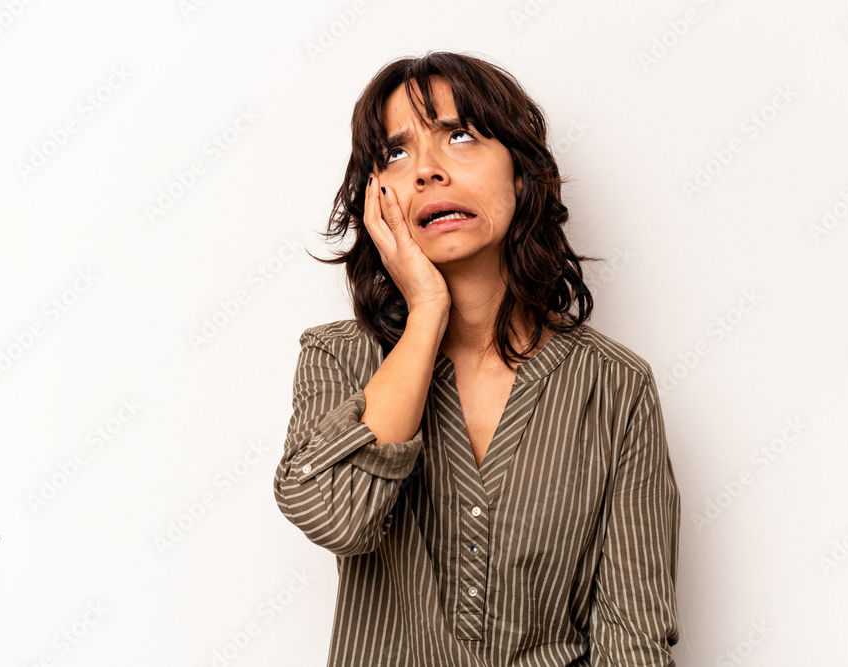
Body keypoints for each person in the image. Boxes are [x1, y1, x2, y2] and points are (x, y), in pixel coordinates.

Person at [273, 51, 681, 666]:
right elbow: (334, 516)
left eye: (459, 136)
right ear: (376, 197)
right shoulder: (340, 358)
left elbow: (634, 637)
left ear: (521, 173)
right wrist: (428, 311)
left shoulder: (614, 385)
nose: (427, 171)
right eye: (396, 152)